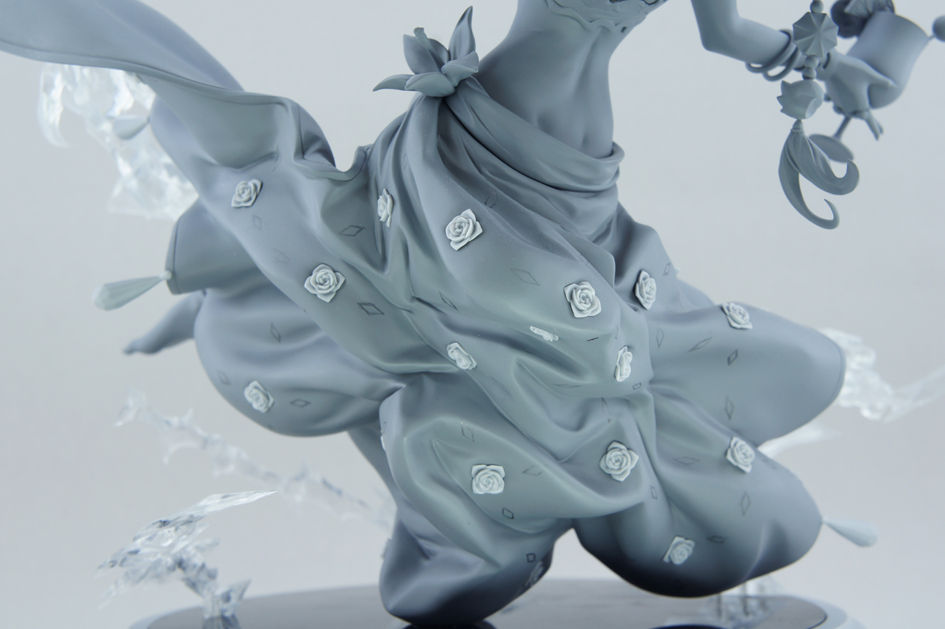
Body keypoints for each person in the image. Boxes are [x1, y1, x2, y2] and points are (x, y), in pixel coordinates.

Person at [0, 0, 902, 624]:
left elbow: (729, 34)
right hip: (481, 154)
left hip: (580, 178)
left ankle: (296, 339)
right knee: (561, 343)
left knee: (558, 340)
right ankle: (466, 504)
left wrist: (831, 63)